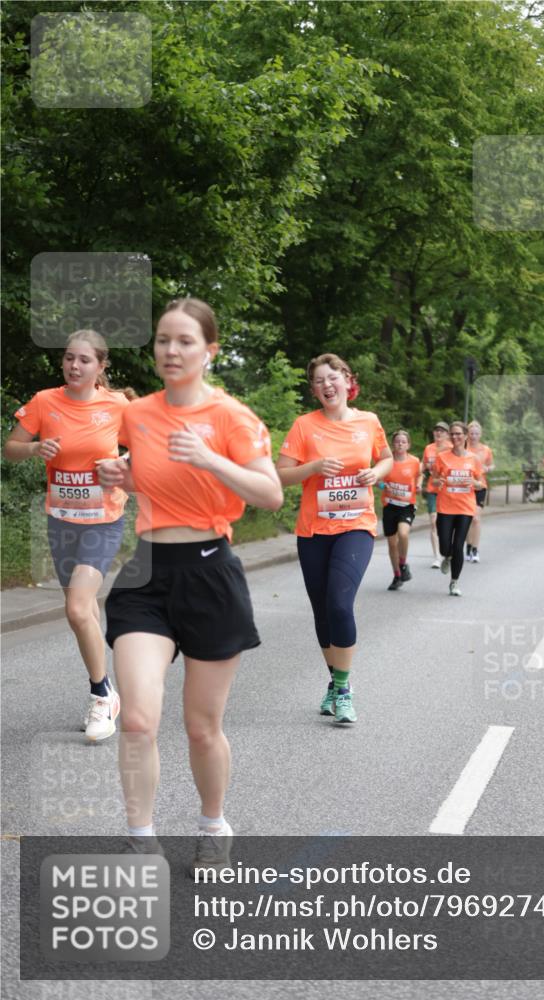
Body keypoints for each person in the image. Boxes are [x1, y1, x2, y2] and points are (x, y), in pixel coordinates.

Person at [97, 298, 282, 868]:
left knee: (202, 728)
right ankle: (140, 836)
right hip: (148, 572)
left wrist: (209, 458)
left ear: (210, 351)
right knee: (136, 717)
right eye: (162, 340)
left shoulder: (233, 417)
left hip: (210, 571)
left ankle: (213, 823)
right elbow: (147, 476)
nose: (171, 351)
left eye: (184, 341)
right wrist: (122, 476)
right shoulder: (138, 414)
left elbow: (269, 495)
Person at [3, 330, 134, 742]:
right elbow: (10, 447)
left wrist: (123, 463)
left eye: (84, 360)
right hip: (60, 521)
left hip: (103, 521)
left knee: (78, 609)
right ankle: (109, 689)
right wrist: (34, 449)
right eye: (68, 359)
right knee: (84, 613)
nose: (74, 366)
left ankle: (100, 695)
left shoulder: (117, 405)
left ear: (101, 367)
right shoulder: (45, 402)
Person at [276, 353, 393, 725]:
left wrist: (376, 471)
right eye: (319, 382)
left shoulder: (368, 421)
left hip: (356, 526)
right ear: (314, 390)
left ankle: (343, 689)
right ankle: (334, 680)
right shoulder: (304, 426)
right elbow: (280, 475)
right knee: (323, 611)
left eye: (333, 378)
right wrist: (311, 468)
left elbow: (386, 457)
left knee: (341, 604)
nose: (327, 385)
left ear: (347, 380)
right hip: (313, 531)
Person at [432, 421, 483, 596]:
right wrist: (438, 482)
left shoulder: (473, 459)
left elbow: (481, 484)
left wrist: (474, 482)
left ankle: (454, 582)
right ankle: (446, 556)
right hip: (445, 506)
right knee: (445, 546)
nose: (455, 437)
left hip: (465, 507)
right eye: (452, 434)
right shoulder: (442, 457)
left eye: (458, 434)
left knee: (458, 544)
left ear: (466, 436)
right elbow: (434, 480)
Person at [380, 430, 422, 590]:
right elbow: (376, 479)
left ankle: (403, 563)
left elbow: (419, 475)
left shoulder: (414, 461)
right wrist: (384, 486)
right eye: (397, 441)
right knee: (391, 544)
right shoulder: (386, 461)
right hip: (390, 506)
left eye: (403, 442)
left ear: (408, 445)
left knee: (403, 533)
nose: (400, 444)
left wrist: (418, 485)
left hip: (406, 506)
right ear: (393, 444)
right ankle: (397, 575)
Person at [421, 422, 451, 568]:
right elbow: (423, 466)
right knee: (433, 521)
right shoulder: (429, 449)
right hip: (433, 489)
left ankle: (448, 551)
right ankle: (437, 557)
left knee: (447, 523)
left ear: (447, 434)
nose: (438, 433)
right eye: (436, 431)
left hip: (448, 491)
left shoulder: (452, 449)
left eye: (442, 431)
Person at [464, 420, 494, 562]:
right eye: (471, 433)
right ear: (467, 434)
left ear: (480, 434)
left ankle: (475, 549)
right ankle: (468, 546)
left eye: (476, 433)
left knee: (476, 518)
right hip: (464, 487)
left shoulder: (485, 449)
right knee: (467, 519)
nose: (474, 436)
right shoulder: (463, 448)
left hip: (480, 486)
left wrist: (488, 468)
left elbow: (491, 464)